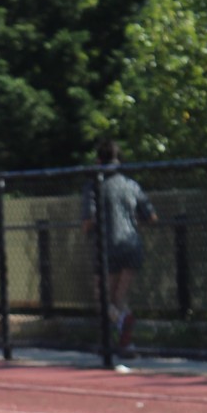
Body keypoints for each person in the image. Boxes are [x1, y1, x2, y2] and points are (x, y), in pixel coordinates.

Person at [81, 139, 157, 353]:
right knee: (119, 297)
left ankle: (121, 324)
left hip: (107, 246)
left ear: (98, 161)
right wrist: (130, 222)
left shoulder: (94, 185)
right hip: (131, 244)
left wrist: (88, 229)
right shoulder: (131, 184)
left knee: (103, 298)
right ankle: (124, 340)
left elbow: (88, 220)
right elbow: (151, 216)